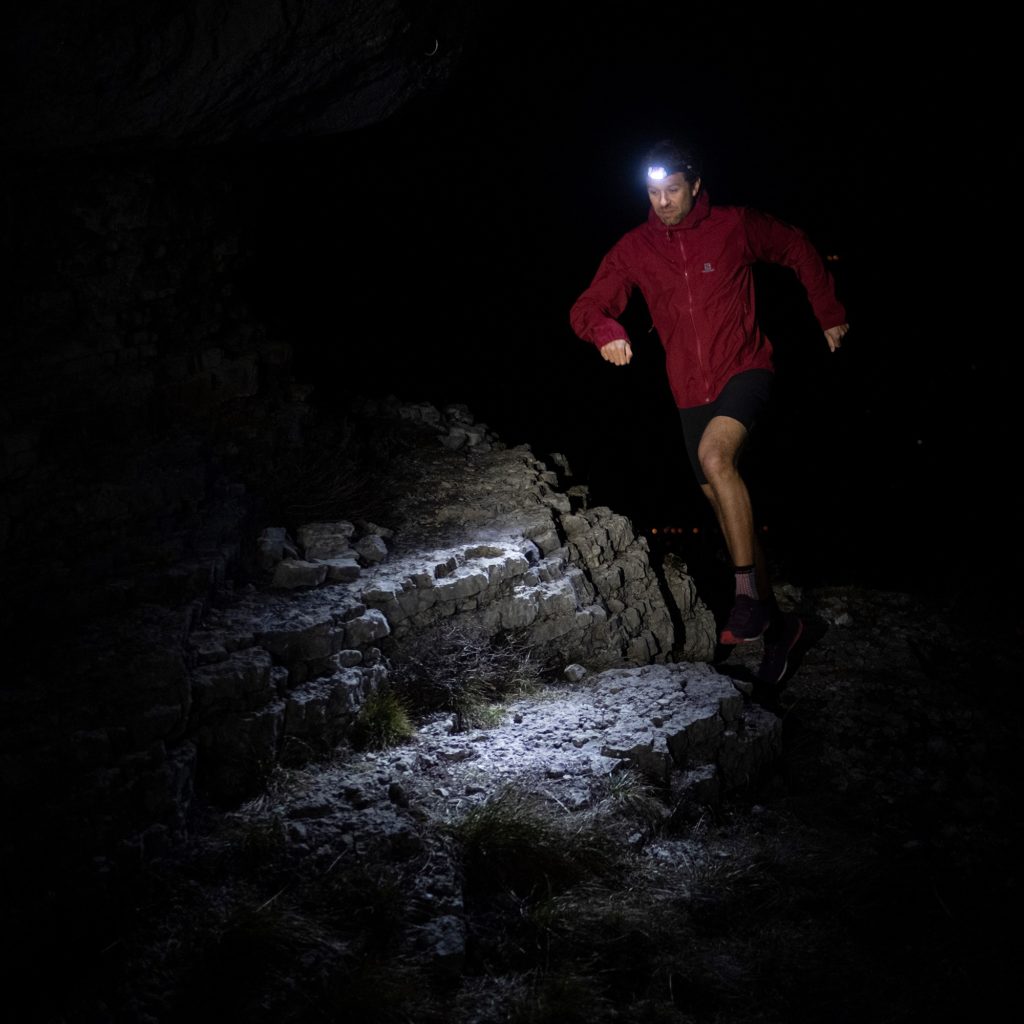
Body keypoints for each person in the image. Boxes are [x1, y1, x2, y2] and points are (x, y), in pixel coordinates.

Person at [569, 138, 849, 685]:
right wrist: (606, 331)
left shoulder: (734, 225)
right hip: (688, 393)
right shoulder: (634, 248)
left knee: (717, 460)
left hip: (746, 369)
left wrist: (828, 310)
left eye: (673, 189)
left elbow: (794, 244)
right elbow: (587, 305)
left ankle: (746, 596)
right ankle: (779, 627)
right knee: (723, 505)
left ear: (695, 186)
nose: (663, 201)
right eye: (653, 192)